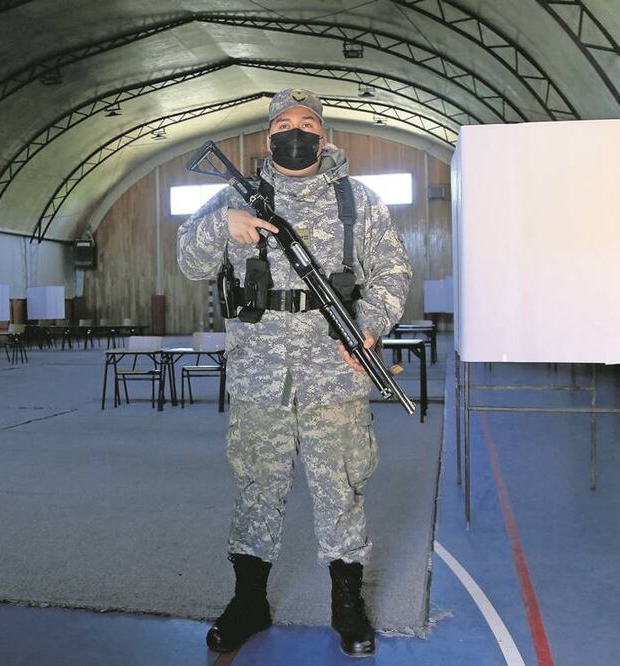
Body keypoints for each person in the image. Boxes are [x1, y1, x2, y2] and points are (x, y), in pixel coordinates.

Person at [176, 88, 411, 658]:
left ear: (324, 136)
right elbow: (191, 261)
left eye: (308, 123)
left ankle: (346, 605)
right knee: (258, 485)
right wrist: (221, 224)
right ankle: (249, 602)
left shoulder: (356, 199)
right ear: (268, 139)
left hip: (335, 369)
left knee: (341, 488)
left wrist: (371, 327)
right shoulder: (235, 196)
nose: (297, 132)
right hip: (261, 372)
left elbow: (392, 271)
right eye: (285, 123)